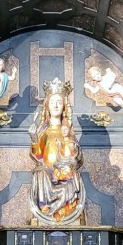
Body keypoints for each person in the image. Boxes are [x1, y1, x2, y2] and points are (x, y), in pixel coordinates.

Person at [28, 79, 85, 224]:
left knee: (72, 176)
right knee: (40, 173)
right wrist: (34, 139)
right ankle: (45, 207)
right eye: (52, 102)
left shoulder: (68, 131)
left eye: (59, 102)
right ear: (46, 105)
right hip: (47, 173)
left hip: (65, 174)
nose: (55, 105)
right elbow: (37, 156)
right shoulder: (43, 131)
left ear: (64, 107)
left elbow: (76, 157)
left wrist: (67, 139)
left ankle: (67, 209)